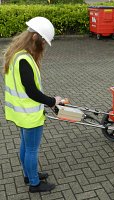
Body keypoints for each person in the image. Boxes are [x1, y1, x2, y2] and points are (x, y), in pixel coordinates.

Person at [3, 16, 62, 193]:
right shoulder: (24, 60)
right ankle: (34, 183)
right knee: (31, 150)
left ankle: (29, 174)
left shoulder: (16, 54)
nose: (44, 44)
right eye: (43, 40)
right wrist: (53, 101)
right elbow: (32, 91)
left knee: (25, 146)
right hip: (30, 115)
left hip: (21, 112)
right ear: (35, 37)